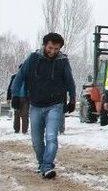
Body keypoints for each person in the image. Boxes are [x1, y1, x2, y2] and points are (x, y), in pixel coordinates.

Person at [11, 33, 76, 178]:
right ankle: (42, 164)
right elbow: (20, 76)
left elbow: (70, 82)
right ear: (45, 45)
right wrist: (15, 95)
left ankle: (47, 166)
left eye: (56, 49)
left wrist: (72, 100)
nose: (52, 51)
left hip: (55, 105)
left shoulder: (63, 61)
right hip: (35, 105)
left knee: (51, 137)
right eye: (50, 48)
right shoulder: (33, 58)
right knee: (36, 140)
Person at [7, 66, 29, 134]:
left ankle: (24, 131)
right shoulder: (14, 77)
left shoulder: (28, 77)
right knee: (16, 114)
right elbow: (10, 87)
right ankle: (16, 130)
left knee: (25, 114)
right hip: (16, 98)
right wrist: (9, 97)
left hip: (25, 98)